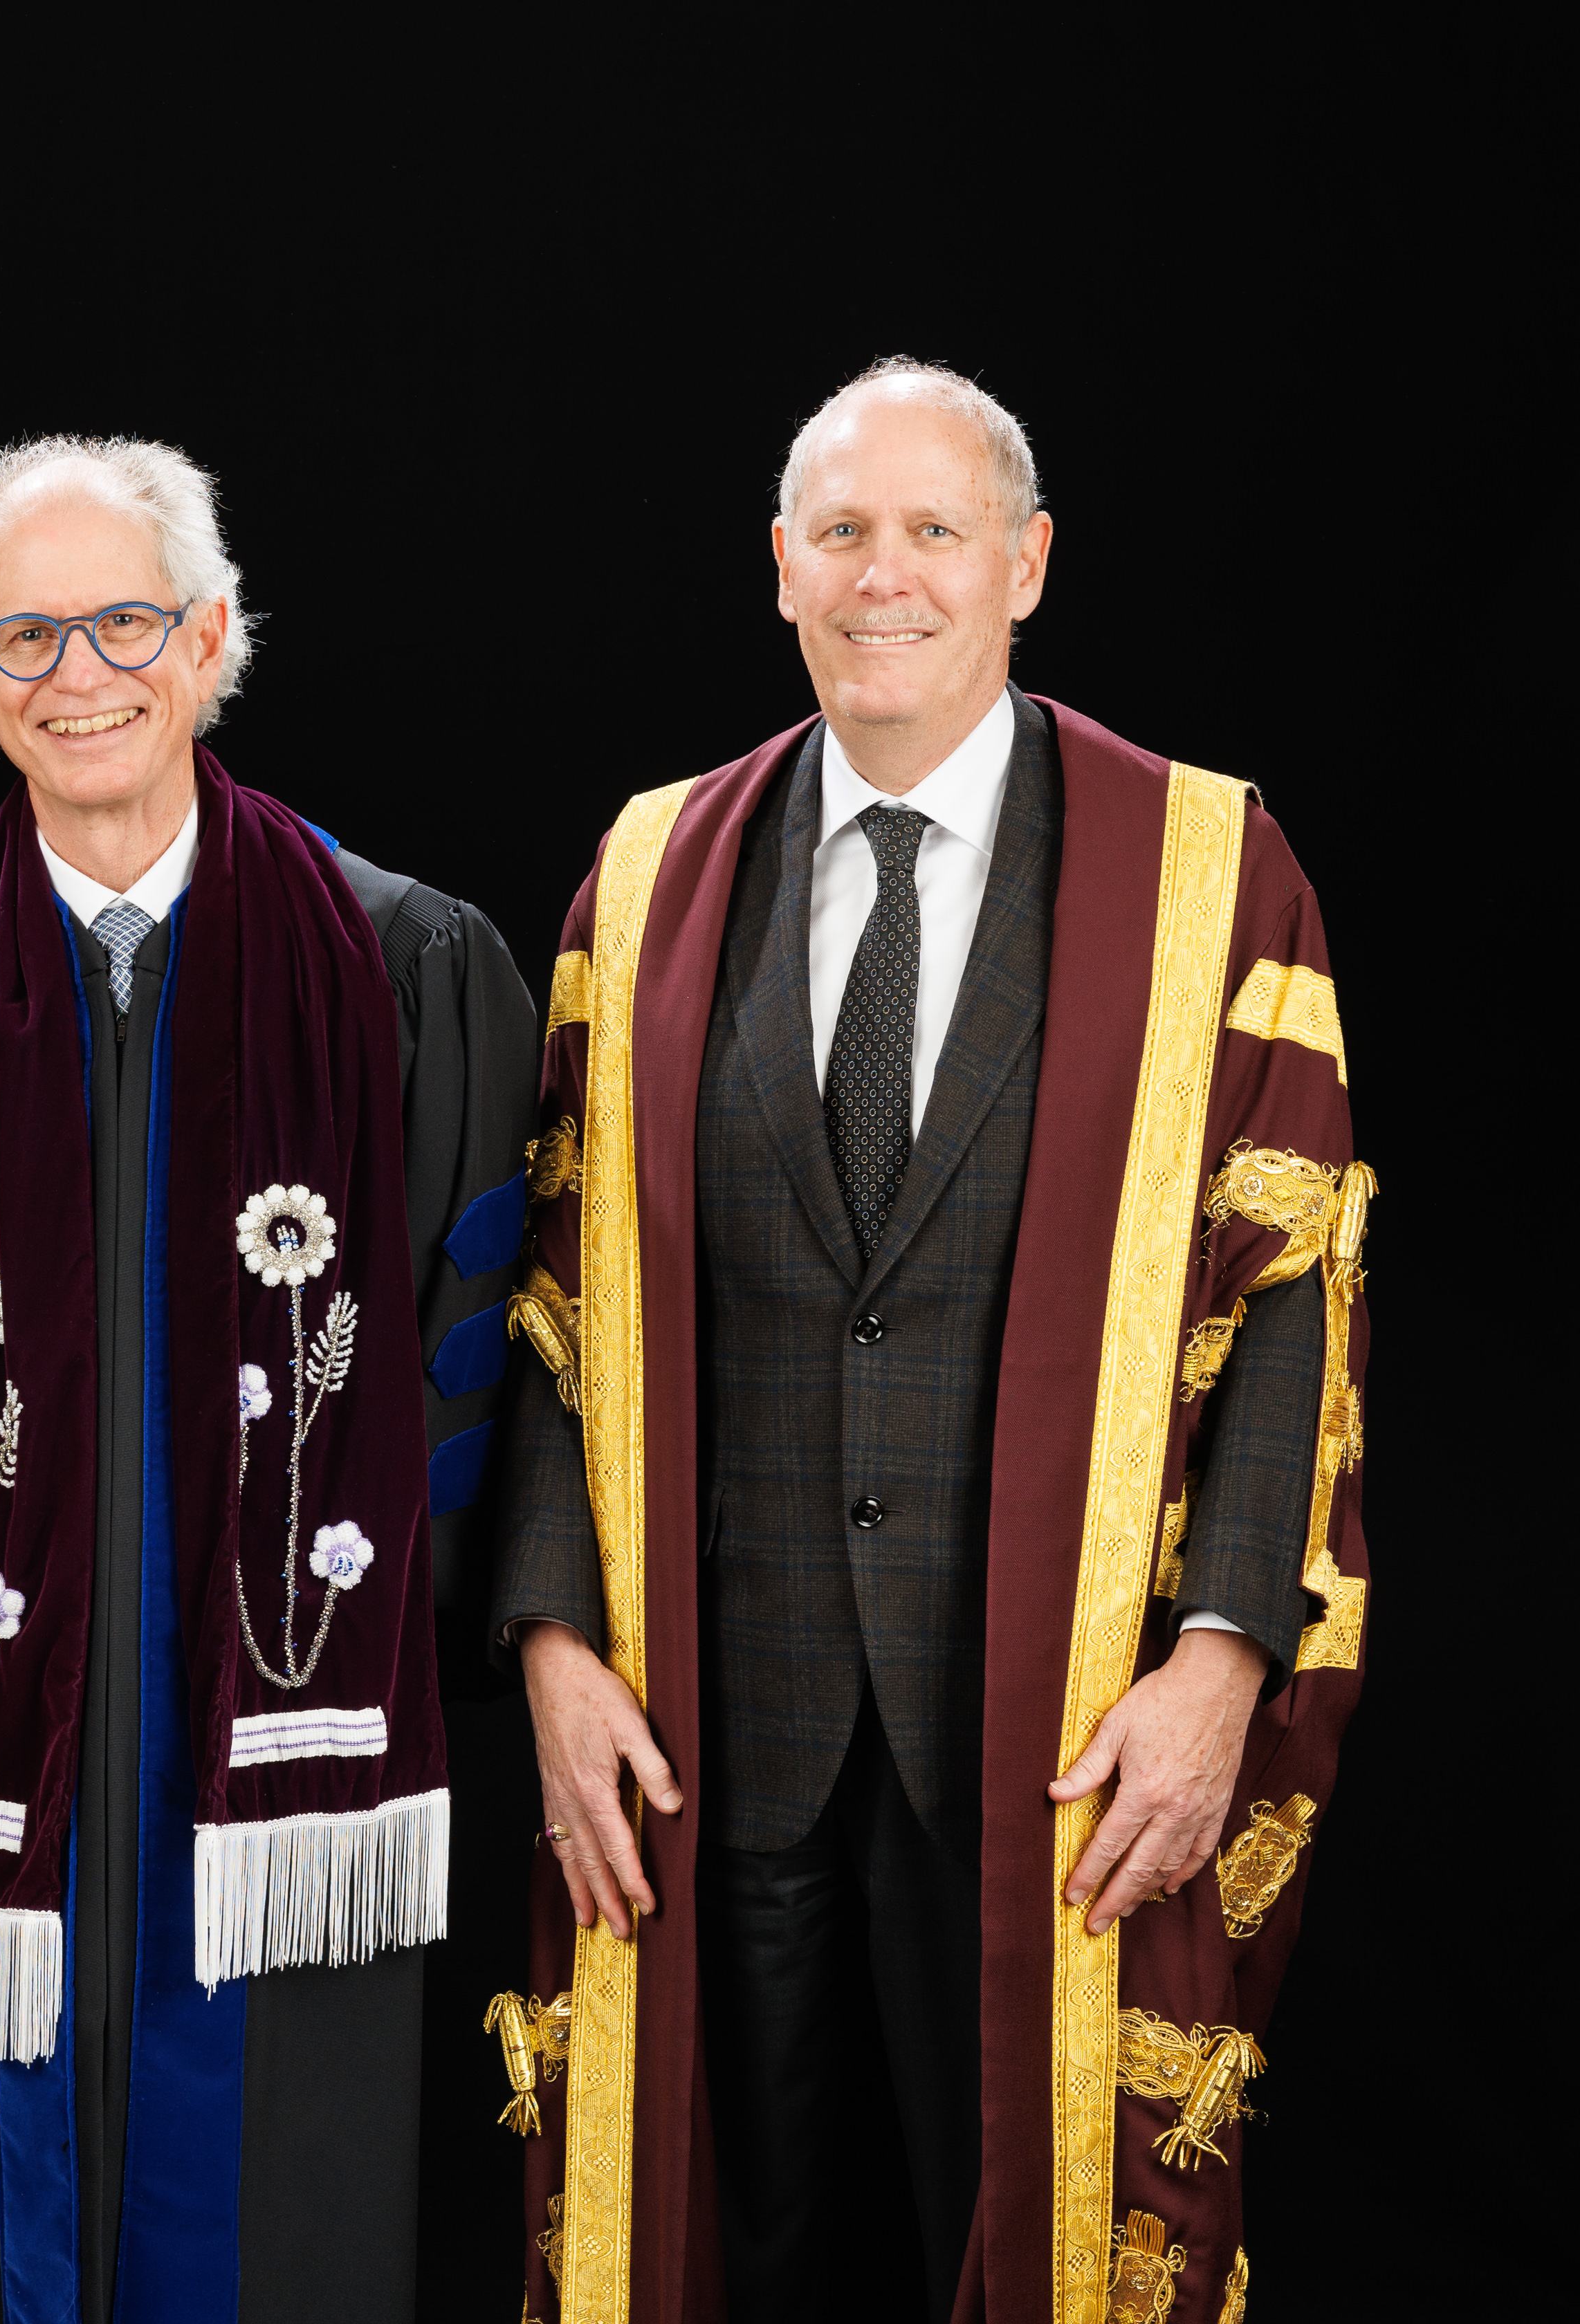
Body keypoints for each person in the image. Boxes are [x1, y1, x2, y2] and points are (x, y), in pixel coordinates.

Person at [487, 359, 1368, 2321]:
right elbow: (546, 1306)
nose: (889, 575)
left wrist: (1222, 1659)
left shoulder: (1206, 871)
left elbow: (1291, 1296)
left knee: (1030, 2230)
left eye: (938, 531)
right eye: (844, 531)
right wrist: (550, 1644)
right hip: (713, 1722)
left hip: (1054, 1720)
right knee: (745, 2241)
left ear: (1028, 563)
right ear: (781, 569)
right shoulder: (648, 879)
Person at [0, 435, 541, 2322]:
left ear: (214, 634)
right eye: (25, 634)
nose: (80, 673)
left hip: (280, 1762)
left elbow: (468, 1369)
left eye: (126, 622)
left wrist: (391, 1631)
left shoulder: (408, 967)